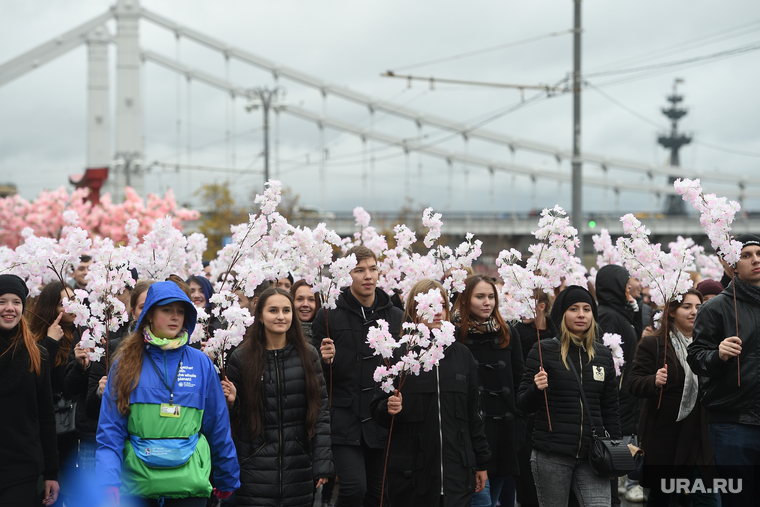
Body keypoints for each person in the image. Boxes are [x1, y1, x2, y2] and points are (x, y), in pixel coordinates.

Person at [96, 281, 240, 505]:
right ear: (150, 315)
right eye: (166, 310)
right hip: (137, 488)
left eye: (180, 311)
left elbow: (218, 425)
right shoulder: (125, 363)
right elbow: (110, 429)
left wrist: (227, 477)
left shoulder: (201, 363)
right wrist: (107, 482)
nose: (175, 317)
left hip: (189, 487)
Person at [370, 279, 490, 507]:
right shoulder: (397, 356)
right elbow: (377, 409)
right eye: (430, 306)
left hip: (457, 472)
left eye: (442, 306)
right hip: (411, 474)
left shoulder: (462, 355)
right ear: (414, 311)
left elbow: (474, 413)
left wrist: (481, 462)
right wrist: (388, 408)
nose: (437, 313)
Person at [312, 245, 403, 507]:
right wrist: (324, 359)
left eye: (373, 269)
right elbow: (317, 373)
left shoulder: (394, 316)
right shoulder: (328, 315)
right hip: (343, 419)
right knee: (353, 488)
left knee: (377, 494)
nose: (368, 276)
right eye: (359, 270)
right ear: (347, 274)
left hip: (381, 419)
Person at [225, 287, 334, 506]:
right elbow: (232, 419)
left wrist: (322, 461)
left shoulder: (308, 355)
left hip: (298, 465)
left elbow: (320, 412)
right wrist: (232, 403)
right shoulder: (241, 358)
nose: (281, 316)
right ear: (261, 317)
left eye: (286, 310)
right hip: (254, 466)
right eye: (273, 310)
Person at [518, 285, 621, 507]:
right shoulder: (543, 350)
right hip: (551, 455)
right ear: (562, 314)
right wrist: (536, 389)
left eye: (587, 309)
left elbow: (610, 408)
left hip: (593, 456)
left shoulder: (603, 355)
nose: (581, 314)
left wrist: (615, 453)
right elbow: (523, 405)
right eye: (574, 309)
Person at [687, 234, 760, 506]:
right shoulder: (714, 308)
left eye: (759, 253)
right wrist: (717, 354)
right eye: (746, 255)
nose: (755, 260)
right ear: (730, 264)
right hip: (732, 424)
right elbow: (695, 357)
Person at [628, 289, 717, 506]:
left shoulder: (710, 344)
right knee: (661, 497)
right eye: (687, 306)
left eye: (698, 306)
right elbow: (633, 383)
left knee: (705, 497)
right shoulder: (654, 344)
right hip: (666, 436)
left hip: (700, 436)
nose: (694, 312)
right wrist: (654, 380)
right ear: (672, 311)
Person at [452, 274, 523, 507]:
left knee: (491, 501)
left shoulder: (508, 332)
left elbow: (518, 380)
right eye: (480, 296)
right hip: (470, 432)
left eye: (491, 296)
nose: (487, 302)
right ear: (465, 300)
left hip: (503, 432)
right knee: (479, 500)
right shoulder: (452, 335)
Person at [0, 274, 60, 505]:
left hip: (22, 470)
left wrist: (51, 472)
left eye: (16, 302)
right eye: (2, 301)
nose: (9, 308)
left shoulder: (37, 355)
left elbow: (45, 415)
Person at [594, 264, 644, 504]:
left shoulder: (618, 311)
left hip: (625, 392)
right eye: (625, 283)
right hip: (616, 392)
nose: (629, 288)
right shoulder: (607, 315)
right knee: (615, 447)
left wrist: (633, 310)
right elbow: (610, 357)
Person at [28, 281, 80, 491]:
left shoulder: (83, 335)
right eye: (63, 303)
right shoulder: (37, 341)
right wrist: (50, 342)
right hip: (50, 431)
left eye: (74, 299)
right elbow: (34, 378)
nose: (71, 306)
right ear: (51, 309)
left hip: (76, 428)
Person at [513, 290, 555, 507]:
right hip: (528, 410)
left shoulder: (555, 330)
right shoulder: (517, 332)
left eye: (525, 303)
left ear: (540, 306)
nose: (519, 309)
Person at [291, 279, 321, 345]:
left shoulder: (327, 335)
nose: (305, 304)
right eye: (300, 299)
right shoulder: (283, 334)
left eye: (311, 299)